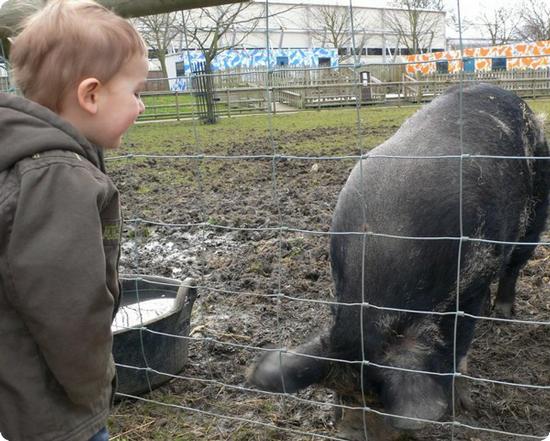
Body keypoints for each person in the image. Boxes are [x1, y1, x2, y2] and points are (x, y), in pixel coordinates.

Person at [0, 1, 148, 440]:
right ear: (91, 94)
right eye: (137, 91)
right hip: (46, 409)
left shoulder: (22, 155)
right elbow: (69, 308)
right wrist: (92, 390)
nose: (140, 106)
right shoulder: (58, 178)